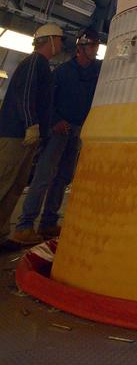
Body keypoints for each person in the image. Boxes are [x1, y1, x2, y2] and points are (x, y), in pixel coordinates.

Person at [12, 27, 103, 245]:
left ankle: (48, 222)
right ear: (80, 48)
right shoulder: (62, 72)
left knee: (62, 178)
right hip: (59, 130)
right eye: (92, 45)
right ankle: (24, 225)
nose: (96, 49)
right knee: (44, 176)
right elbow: (46, 100)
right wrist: (54, 121)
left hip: (78, 130)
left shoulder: (96, 72)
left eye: (97, 46)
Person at [0, 23, 63, 240]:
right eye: (61, 39)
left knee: (15, 187)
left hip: (25, 137)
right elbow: (25, 95)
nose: (62, 44)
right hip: (16, 136)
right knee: (4, 184)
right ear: (52, 39)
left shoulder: (42, 65)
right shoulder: (35, 62)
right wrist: (31, 125)